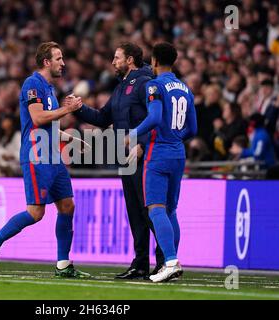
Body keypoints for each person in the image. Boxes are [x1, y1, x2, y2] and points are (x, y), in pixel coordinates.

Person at [0, 42, 90, 278]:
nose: (63, 63)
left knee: (67, 205)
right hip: (36, 156)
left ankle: (63, 265)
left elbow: (47, 125)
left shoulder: (49, 88)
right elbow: (38, 118)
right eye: (59, 58)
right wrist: (67, 109)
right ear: (46, 62)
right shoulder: (33, 84)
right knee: (35, 212)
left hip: (53, 156)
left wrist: (70, 138)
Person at [74, 42, 164, 279]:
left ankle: (166, 260)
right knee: (135, 213)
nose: (113, 62)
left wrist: (143, 143)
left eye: (117, 58)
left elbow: (156, 116)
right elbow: (103, 118)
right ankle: (141, 263)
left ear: (130, 60)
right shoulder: (121, 87)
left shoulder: (145, 82)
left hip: (143, 157)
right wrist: (79, 108)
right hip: (125, 158)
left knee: (149, 211)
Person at [125, 42, 197, 282]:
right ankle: (171, 263)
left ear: (154, 61)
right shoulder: (186, 88)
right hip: (178, 154)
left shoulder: (154, 85)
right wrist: (176, 137)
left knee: (155, 209)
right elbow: (193, 128)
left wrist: (133, 134)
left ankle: (171, 262)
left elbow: (154, 117)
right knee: (171, 210)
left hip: (158, 154)